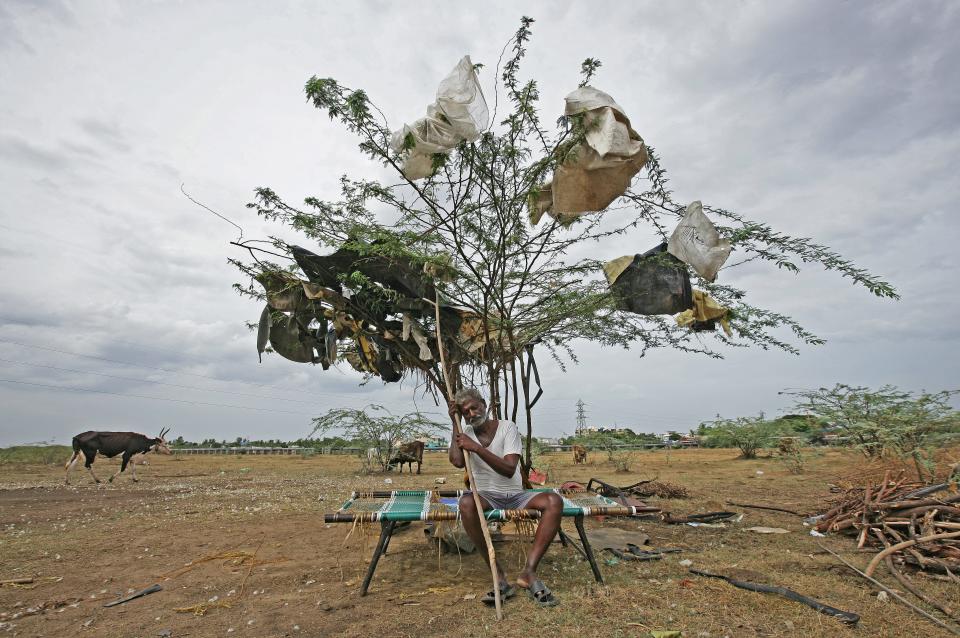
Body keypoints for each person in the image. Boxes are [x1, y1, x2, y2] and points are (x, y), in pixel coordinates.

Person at [448, 387, 562, 607]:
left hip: (515, 495)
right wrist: (455, 423)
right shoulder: (465, 433)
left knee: (553, 501)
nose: (471, 414)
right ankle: (498, 574)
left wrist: (477, 449)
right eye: (465, 412)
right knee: (466, 503)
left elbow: (510, 468)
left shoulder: (507, 428)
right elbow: (457, 461)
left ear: (484, 404)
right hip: (486, 496)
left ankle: (529, 572)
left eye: (474, 407)